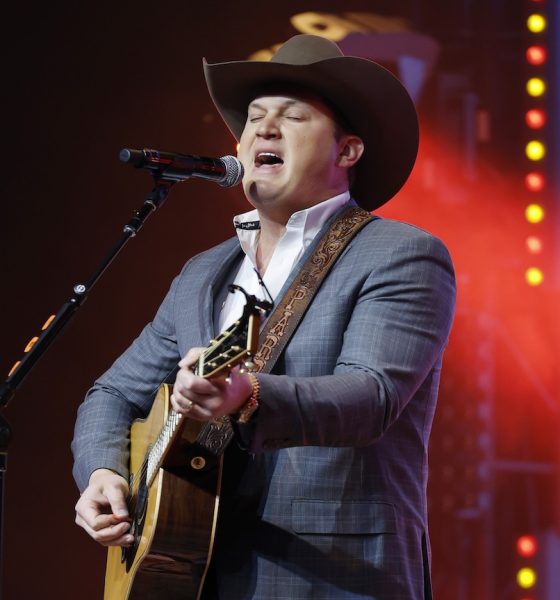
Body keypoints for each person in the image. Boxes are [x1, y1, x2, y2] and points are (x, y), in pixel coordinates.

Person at [72, 34, 456, 599]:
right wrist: (103, 474)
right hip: (193, 570)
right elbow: (111, 394)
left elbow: (371, 397)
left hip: (333, 573)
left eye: (292, 117)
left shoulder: (400, 254)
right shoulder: (203, 274)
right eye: (254, 119)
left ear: (347, 151)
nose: (263, 130)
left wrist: (246, 395)